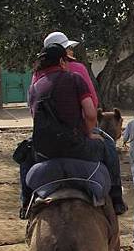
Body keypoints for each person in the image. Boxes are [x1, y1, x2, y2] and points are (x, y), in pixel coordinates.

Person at [24, 44, 126, 215]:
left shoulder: (34, 88)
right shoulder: (75, 79)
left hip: (45, 153)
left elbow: (36, 117)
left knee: (24, 154)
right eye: (65, 60)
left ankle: (25, 201)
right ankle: (116, 199)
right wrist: (88, 133)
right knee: (108, 146)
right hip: (78, 148)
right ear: (61, 61)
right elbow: (91, 114)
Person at [32, 31, 99, 108]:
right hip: (77, 118)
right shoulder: (78, 68)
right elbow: (93, 101)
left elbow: (33, 104)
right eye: (69, 48)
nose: (72, 51)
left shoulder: (37, 74)